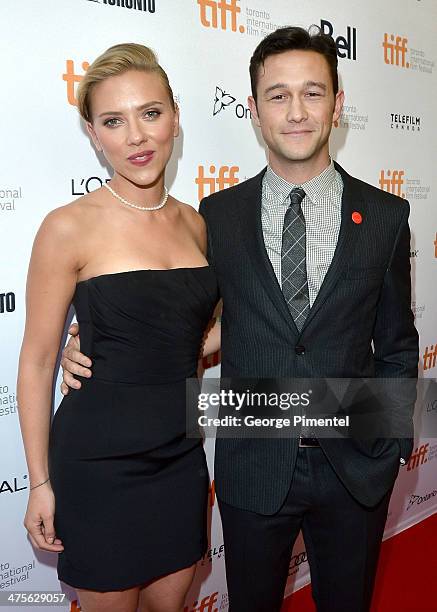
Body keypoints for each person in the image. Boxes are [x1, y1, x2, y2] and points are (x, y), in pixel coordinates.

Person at [61, 27, 419, 612]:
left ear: (337, 101)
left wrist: (393, 443)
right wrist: (99, 343)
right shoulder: (216, 217)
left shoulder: (385, 215)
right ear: (253, 110)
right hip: (254, 462)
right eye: (278, 95)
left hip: (356, 468)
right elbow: (181, 318)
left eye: (312, 92)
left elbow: (399, 342)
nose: (296, 112)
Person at [17, 43, 220, 612]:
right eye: (113, 121)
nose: (136, 137)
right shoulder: (66, 228)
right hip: (96, 465)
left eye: (150, 113)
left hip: (180, 458)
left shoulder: (196, 225)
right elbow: (35, 361)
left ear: (175, 118)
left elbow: (196, 337)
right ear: (92, 133)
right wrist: (39, 482)